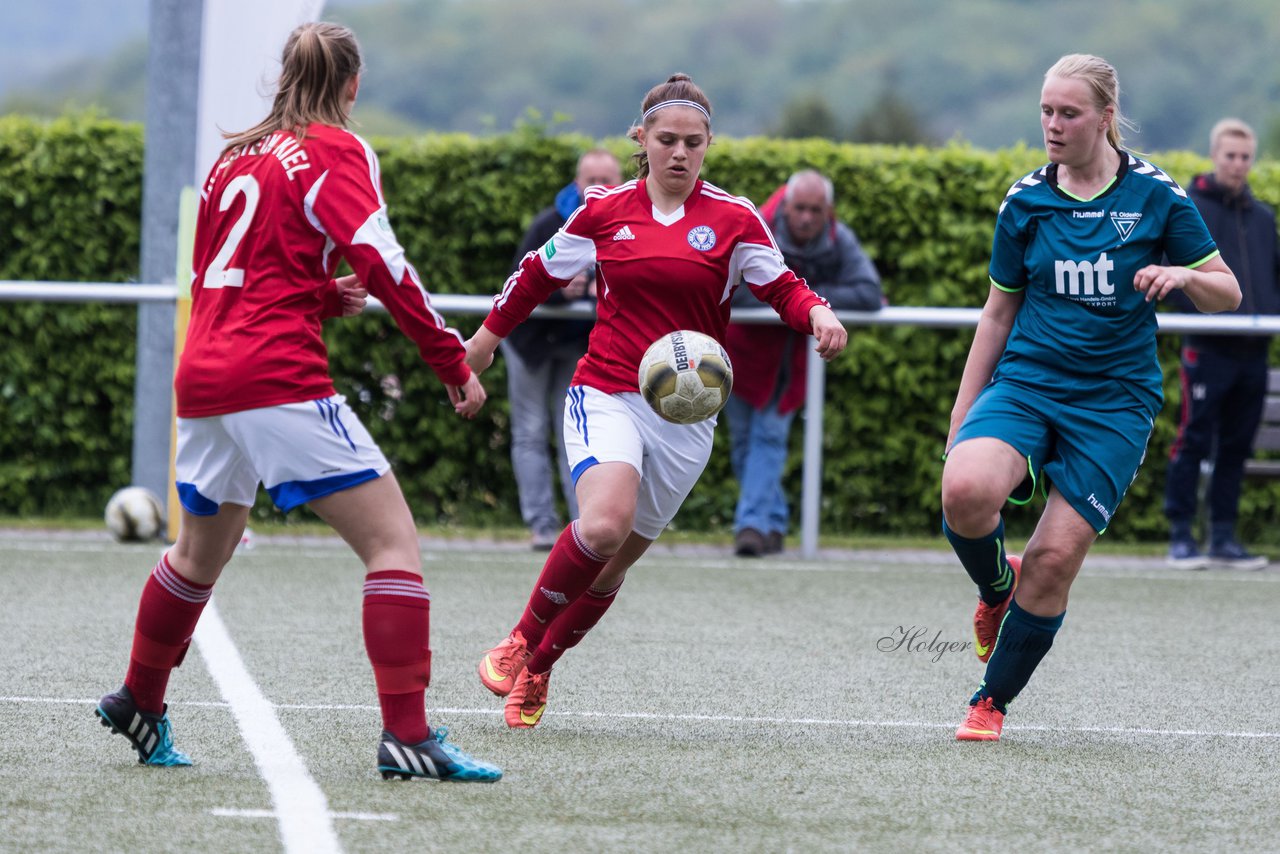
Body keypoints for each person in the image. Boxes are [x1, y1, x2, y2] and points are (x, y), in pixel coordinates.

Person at [94, 22, 501, 782]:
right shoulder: (337, 149)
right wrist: (449, 358)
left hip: (206, 375)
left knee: (197, 555)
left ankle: (139, 698)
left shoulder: (233, 157)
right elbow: (382, 260)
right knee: (393, 545)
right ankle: (407, 735)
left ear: (283, 77)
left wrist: (314, 293)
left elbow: (225, 272)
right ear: (353, 85)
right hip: (272, 375)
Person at [464, 73, 848, 729]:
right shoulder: (604, 211)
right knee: (603, 523)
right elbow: (534, 275)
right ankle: (521, 637)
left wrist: (817, 315)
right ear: (640, 138)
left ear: (708, 145)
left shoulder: (734, 217)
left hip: (684, 417)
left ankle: (542, 668)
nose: (678, 153)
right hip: (606, 388)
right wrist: (481, 344)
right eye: (665, 139)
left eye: (692, 142)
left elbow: (783, 286)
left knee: (610, 569)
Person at [941, 54, 1240, 742]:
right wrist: (964, 412)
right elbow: (997, 311)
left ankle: (990, 702)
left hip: (1113, 402)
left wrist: (1179, 274)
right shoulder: (1025, 202)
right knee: (964, 489)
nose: (1052, 124)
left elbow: (1228, 291)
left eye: (1068, 113)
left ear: (1105, 117)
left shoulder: (1156, 197)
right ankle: (994, 590)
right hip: (1028, 384)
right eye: (1045, 111)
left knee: (1053, 560)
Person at [724, 169, 883, 557]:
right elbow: (729, 289)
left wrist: (802, 300)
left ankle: (752, 526)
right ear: (787, 207)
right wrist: (795, 301)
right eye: (800, 209)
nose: (807, 218)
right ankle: (774, 521)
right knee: (745, 443)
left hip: (790, 363)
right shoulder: (754, 226)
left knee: (768, 438)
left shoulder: (838, 239)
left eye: (815, 210)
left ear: (827, 211)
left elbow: (869, 293)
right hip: (741, 355)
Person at [1163, 118, 1279, 571]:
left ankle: (1224, 538)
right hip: (1207, 350)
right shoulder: (1191, 209)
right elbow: (1171, 276)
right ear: (1215, 156)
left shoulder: (1265, 218)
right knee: (1192, 440)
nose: (1237, 164)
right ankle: (1180, 537)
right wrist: (1199, 315)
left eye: (1245, 156)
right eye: (1230, 155)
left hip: (1255, 353)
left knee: (1236, 446)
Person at [505, 150, 623, 551]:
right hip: (531, 341)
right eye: (591, 179)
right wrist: (557, 289)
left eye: (607, 179)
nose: (598, 187)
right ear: (576, 183)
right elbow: (519, 278)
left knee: (573, 433)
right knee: (530, 432)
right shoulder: (549, 224)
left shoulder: (625, 224)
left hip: (576, 343)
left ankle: (581, 527)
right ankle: (541, 524)